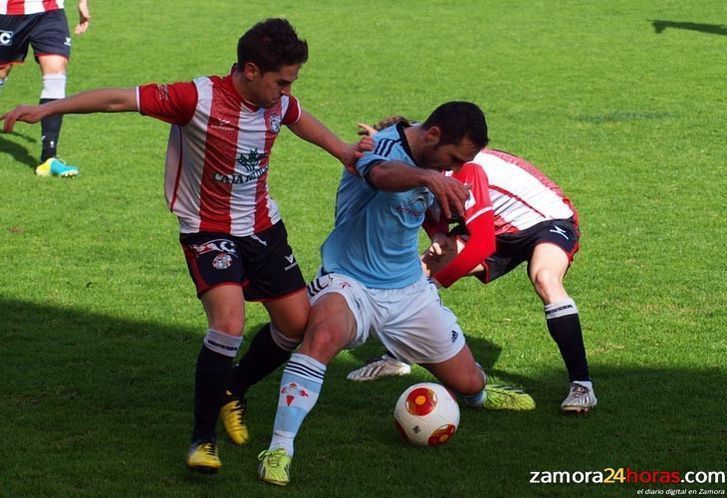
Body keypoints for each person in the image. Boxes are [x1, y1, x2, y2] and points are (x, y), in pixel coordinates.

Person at [1, 18, 372, 474]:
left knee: (295, 327)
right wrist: (48, 109)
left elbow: (298, 117)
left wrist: (340, 150)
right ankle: (202, 439)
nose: (286, 91)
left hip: (262, 226)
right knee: (229, 324)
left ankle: (232, 389)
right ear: (251, 71)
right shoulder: (196, 98)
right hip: (207, 228)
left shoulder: (277, 101)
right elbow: (119, 98)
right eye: (282, 81)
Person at [255, 102, 535, 488]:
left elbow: (431, 211)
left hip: (408, 291)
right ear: (433, 135)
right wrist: (429, 179)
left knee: (469, 382)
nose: (452, 169)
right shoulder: (382, 147)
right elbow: (383, 176)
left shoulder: (435, 167)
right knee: (322, 336)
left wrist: (441, 224)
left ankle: (480, 395)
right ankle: (280, 448)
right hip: (349, 281)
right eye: (452, 159)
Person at [347, 117, 597, 415]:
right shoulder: (424, 166)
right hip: (493, 228)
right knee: (415, 275)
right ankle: (397, 356)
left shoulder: (462, 165)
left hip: (546, 220)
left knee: (545, 278)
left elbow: (481, 244)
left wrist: (443, 278)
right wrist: (438, 235)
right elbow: (432, 208)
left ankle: (582, 386)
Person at [0, 0, 91, 177]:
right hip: (7, 12)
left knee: (56, 72)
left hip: (50, 11)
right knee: (2, 72)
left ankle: (49, 158)